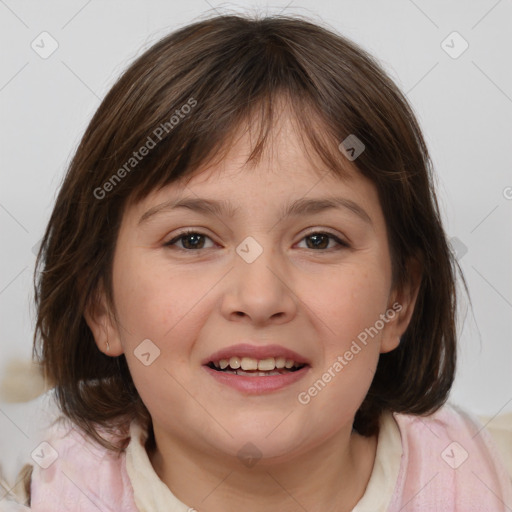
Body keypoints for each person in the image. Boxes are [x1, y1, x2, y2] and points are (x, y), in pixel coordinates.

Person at [1, 11, 511, 512]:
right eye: (193, 240)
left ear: (399, 300)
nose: (260, 298)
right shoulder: (31, 486)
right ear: (101, 306)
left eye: (318, 241)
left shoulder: (494, 480)